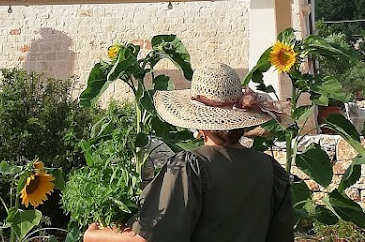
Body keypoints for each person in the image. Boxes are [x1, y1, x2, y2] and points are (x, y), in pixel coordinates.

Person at [83, 62, 294, 242]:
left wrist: (95, 236)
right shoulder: (271, 169)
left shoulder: (191, 167)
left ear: (199, 122)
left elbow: (149, 237)